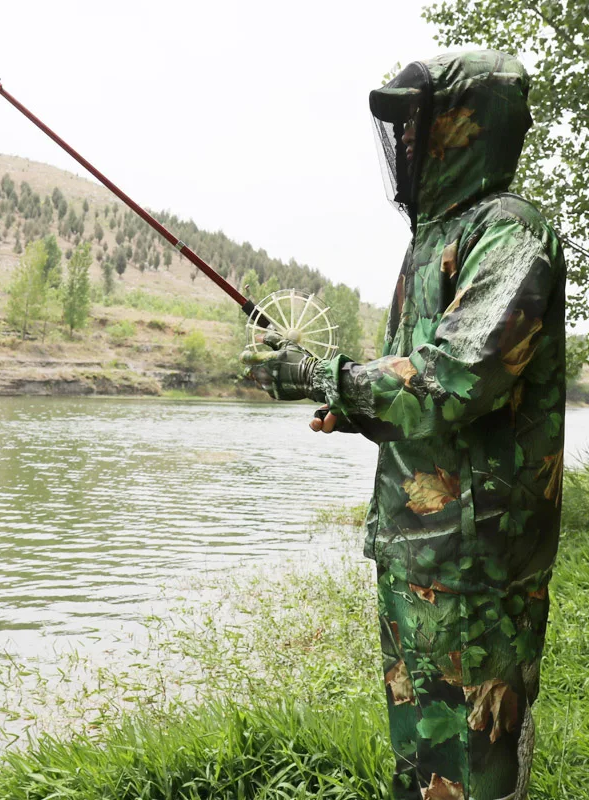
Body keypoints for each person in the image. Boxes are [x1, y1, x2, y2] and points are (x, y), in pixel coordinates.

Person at [242, 49, 565, 800]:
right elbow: (416, 400)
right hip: (414, 548)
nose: (407, 146)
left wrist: (328, 376)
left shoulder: (510, 233)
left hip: (477, 562)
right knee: (421, 755)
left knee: (475, 761)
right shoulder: (428, 242)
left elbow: (457, 378)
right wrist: (355, 410)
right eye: (402, 131)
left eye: (420, 126)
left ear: (464, 128)